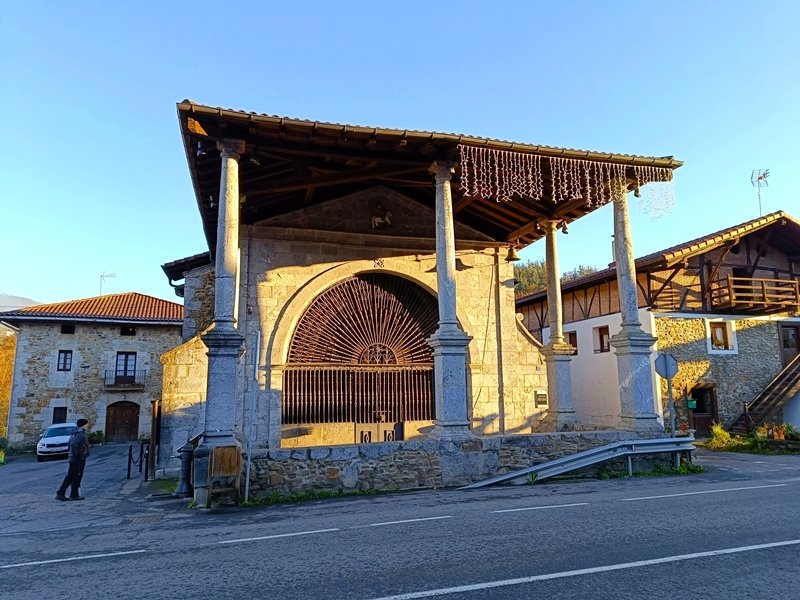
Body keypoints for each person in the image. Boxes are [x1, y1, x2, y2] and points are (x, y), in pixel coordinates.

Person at [55, 418, 90, 501]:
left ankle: (62, 493)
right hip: (77, 459)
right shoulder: (80, 434)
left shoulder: (74, 433)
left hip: (73, 458)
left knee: (70, 476)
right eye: (86, 424)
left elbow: (69, 444)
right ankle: (73, 495)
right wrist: (78, 455)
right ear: (83, 425)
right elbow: (74, 445)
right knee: (76, 476)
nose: (88, 425)